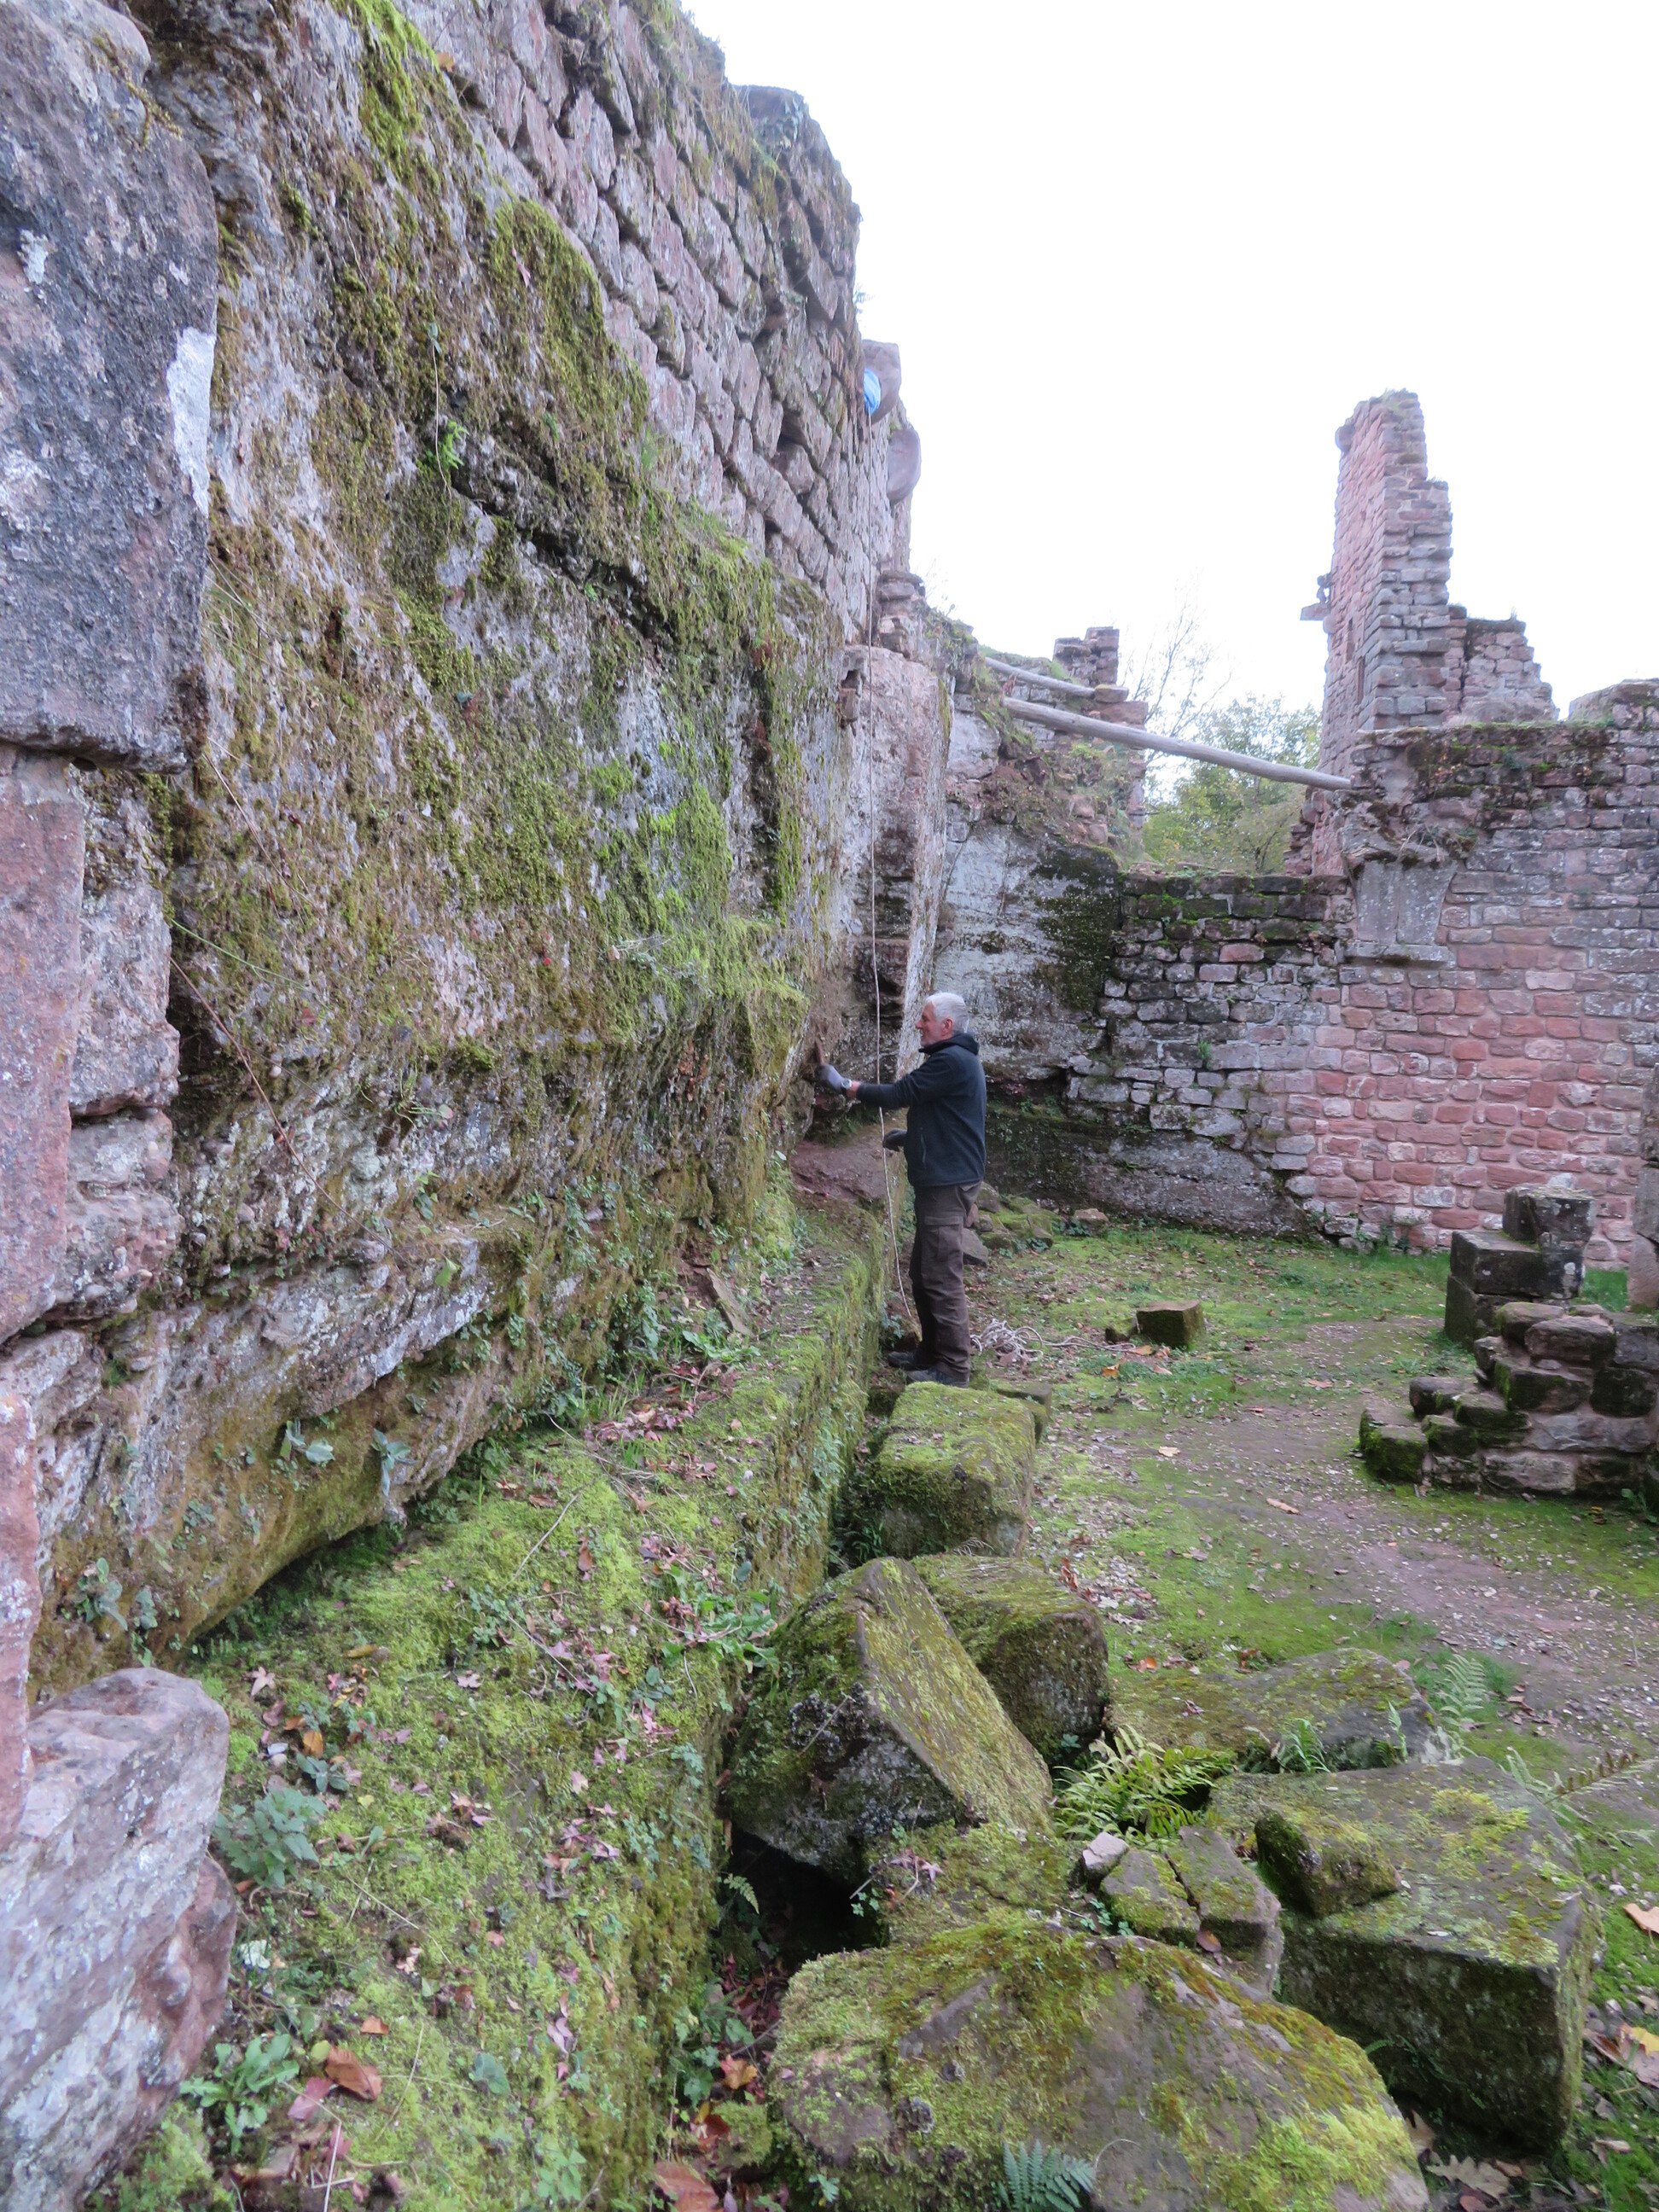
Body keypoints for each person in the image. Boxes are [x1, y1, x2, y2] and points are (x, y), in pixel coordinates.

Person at [818, 992, 986, 1386]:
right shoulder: (955, 1059)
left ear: (947, 1026)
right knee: (922, 1272)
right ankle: (930, 1353)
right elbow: (952, 1118)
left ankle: (954, 1368)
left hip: (948, 1185)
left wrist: (845, 1085)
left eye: (925, 1018)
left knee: (941, 1276)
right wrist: (914, 1138)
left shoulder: (952, 1061)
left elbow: (900, 1094)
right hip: (944, 1177)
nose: (918, 1024)